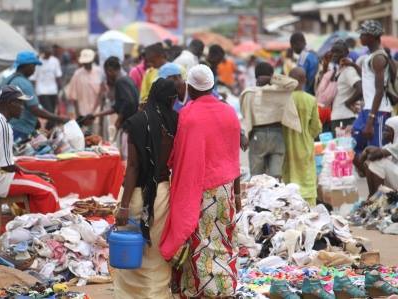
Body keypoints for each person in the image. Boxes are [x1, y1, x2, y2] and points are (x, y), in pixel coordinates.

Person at [159, 64, 241, 298]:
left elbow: (179, 155)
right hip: (225, 188)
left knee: (201, 242)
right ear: (212, 85)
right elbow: (234, 156)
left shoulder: (188, 115)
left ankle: (201, 290)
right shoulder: (228, 112)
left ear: (191, 89)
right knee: (222, 238)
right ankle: (225, 287)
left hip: (201, 191)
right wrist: (237, 194)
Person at [113, 78, 178, 299]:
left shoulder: (136, 122)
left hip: (134, 196)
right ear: (171, 99)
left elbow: (132, 167)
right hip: (161, 195)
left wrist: (123, 206)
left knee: (133, 253)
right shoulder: (176, 122)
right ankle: (156, 294)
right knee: (155, 254)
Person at [0, 85, 60, 214]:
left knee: (41, 184)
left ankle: (38, 221)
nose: (22, 108)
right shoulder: (2, 125)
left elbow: (7, 164)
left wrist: (30, 173)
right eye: (20, 103)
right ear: (10, 103)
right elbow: (7, 166)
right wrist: (30, 173)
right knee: (49, 190)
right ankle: (51, 227)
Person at [240, 62, 302, 179]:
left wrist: (244, 135)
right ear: (271, 74)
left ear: (255, 76)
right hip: (277, 135)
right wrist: (272, 78)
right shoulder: (279, 91)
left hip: (257, 136)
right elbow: (294, 83)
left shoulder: (248, 93)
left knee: (256, 178)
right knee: (275, 178)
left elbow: (245, 116)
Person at [0, 51, 68, 142]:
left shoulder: (7, 79)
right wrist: (59, 118)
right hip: (20, 129)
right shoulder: (24, 83)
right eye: (34, 66)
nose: (34, 69)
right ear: (28, 66)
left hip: (7, 126)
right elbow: (34, 109)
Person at [352, 20, 392, 174]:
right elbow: (368, 81)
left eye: (363, 34)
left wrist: (371, 119)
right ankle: (373, 189)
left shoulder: (378, 58)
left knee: (378, 157)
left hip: (378, 112)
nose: (360, 37)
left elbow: (379, 90)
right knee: (353, 144)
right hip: (368, 109)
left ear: (372, 36)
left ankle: (385, 193)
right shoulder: (370, 56)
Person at [283, 67, 322, 205]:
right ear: (304, 80)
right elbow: (316, 127)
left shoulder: (284, 100)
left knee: (289, 179)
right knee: (307, 181)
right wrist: (307, 135)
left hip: (287, 146)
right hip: (305, 145)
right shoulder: (311, 100)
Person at [96, 56, 139, 160]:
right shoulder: (128, 78)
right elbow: (117, 106)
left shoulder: (120, 81)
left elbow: (128, 101)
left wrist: (119, 119)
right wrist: (95, 115)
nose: (107, 76)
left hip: (128, 126)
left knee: (126, 157)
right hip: (132, 124)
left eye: (107, 72)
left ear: (110, 70)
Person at [328, 41, 363, 136]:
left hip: (345, 118)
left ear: (346, 53)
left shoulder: (348, 71)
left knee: (344, 148)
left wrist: (348, 102)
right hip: (338, 117)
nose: (334, 54)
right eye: (333, 51)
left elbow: (360, 89)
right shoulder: (339, 70)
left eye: (338, 51)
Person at [363, 117, 398, 196]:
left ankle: (378, 197)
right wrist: (367, 151)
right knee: (371, 163)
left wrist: (367, 150)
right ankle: (373, 196)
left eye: (387, 130)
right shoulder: (390, 145)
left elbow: (374, 156)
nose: (384, 132)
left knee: (378, 162)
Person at [30, 46, 63, 130]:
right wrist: (32, 93)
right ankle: (49, 130)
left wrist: (61, 91)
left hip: (53, 91)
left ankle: (49, 130)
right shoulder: (38, 62)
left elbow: (58, 77)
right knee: (50, 112)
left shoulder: (55, 61)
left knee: (53, 112)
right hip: (42, 91)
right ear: (43, 52)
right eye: (47, 53)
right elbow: (33, 78)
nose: (49, 55)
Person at [66, 49, 102, 118]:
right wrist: (78, 114)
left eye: (88, 62)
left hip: (97, 112)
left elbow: (102, 93)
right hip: (82, 112)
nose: (87, 64)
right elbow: (74, 96)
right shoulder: (77, 74)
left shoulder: (99, 72)